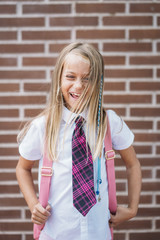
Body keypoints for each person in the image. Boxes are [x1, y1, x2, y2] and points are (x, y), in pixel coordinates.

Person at [16, 42, 141, 240]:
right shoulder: (43, 127)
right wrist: (34, 205)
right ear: (59, 78)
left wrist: (133, 208)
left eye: (87, 78)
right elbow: (22, 168)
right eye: (71, 77)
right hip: (55, 233)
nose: (78, 86)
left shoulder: (109, 123)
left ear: (98, 83)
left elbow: (132, 163)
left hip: (98, 233)